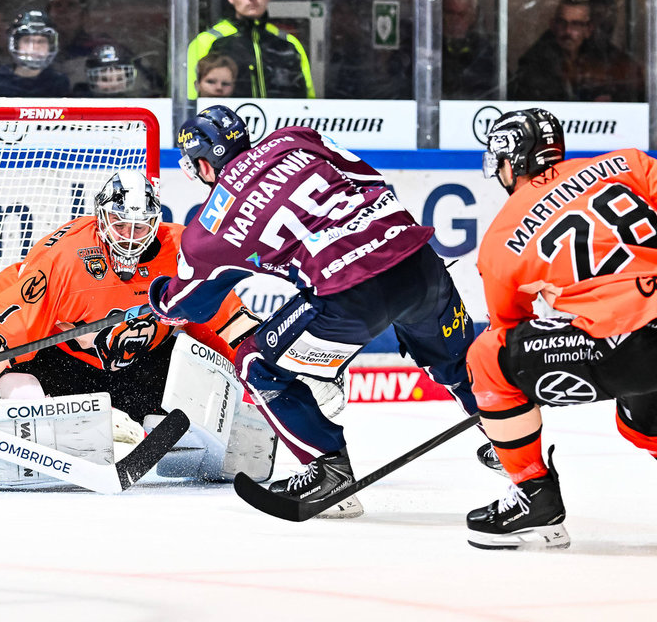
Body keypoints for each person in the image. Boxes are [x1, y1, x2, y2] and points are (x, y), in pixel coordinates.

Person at [144, 106, 497, 518]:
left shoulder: (212, 227)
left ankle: (329, 473)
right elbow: (370, 180)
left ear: (203, 164)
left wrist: (156, 295)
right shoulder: (294, 138)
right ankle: (514, 445)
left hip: (353, 297)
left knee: (256, 363)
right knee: (457, 362)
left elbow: (186, 306)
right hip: (419, 261)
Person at [466, 108, 657, 550]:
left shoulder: (501, 239)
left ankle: (533, 499)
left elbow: (510, 329)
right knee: (647, 425)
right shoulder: (626, 163)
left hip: (629, 348)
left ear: (510, 161)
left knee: (487, 359)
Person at [0, 171, 260, 435]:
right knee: (19, 383)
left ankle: (184, 437)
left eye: (139, 227)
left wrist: (262, 366)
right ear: (103, 219)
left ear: (154, 223)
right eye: (120, 225)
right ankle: (27, 428)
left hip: (139, 372)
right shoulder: (67, 257)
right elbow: (5, 323)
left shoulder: (181, 253)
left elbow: (228, 322)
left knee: (197, 367)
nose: (129, 238)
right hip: (66, 372)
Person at [187, 0, 314, 100]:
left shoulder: (289, 44)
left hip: (283, 122)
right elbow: (189, 101)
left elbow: (309, 104)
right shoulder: (206, 42)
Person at [509, 0, 593, 102]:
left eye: (576, 24)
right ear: (553, 25)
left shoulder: (602, 61)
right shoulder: (534, 65)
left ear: (588, 29)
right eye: (562, 23)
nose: (568, 31)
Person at [0, 9, 71, 97]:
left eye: (41, 41)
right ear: (16, 44)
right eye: (27, 41)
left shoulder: (61, 84)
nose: (34, 47)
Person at [576, 0, 645, 102]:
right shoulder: (561, 56)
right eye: (596, 15)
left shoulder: (625, 66)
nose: (604, 23)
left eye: (609, 16)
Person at [441, 0, 497, 100]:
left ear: (473, 16)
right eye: (450, 13)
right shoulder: (425, 47)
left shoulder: (486, 52)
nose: (455, 20)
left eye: (461, 14)